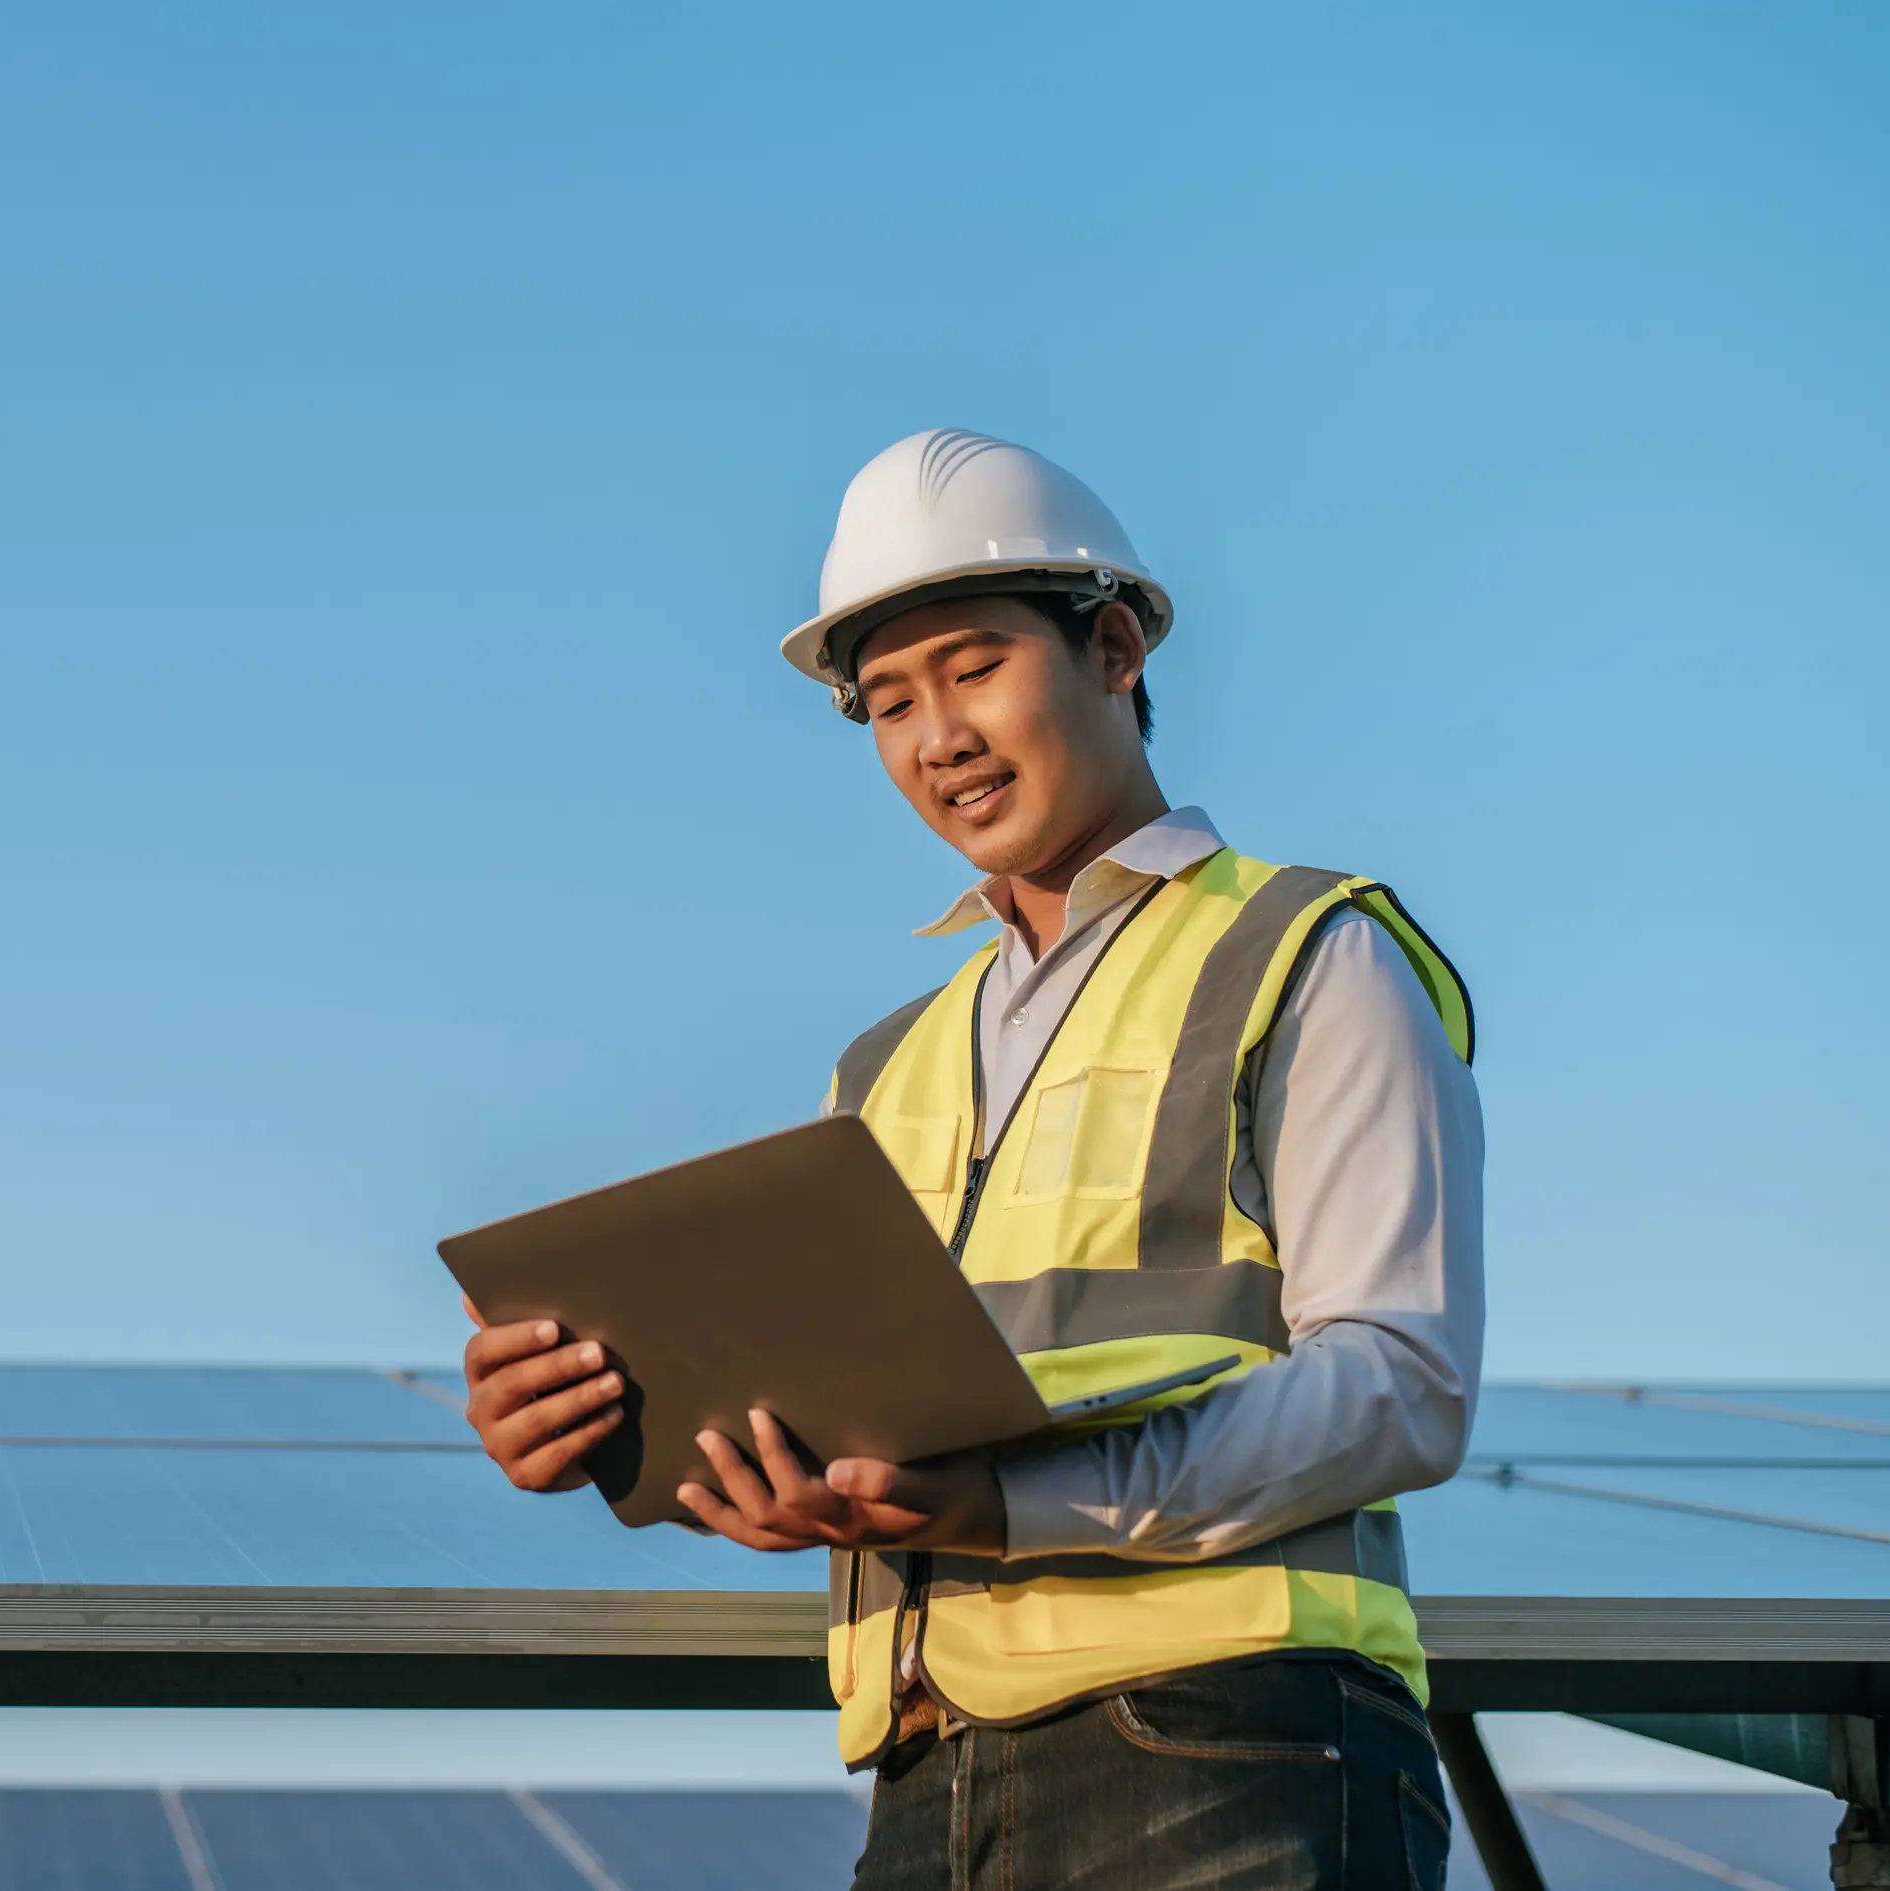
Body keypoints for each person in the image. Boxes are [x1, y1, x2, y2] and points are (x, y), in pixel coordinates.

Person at [460, 430, 1483, 1890]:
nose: (935, 734)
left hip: (1235, 1740)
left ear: (1113, 645)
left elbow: (1400, 1387)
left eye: (972, 667)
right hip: (929, 1776)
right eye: (885, 701)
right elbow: (842, 1418)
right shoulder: (879, 1069)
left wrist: (1012, 1509)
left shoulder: (1309, 952)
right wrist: (600, 1422)